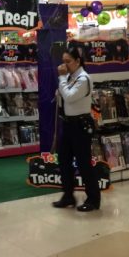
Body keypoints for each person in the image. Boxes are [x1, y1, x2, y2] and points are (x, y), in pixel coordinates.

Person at [53, 47, 101, 212]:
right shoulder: (69, 77)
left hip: (80, 125)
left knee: (83, 162)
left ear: (78, 61)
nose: (64, 65)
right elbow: (62, 96)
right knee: (64, 161)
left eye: (68, 61)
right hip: (67, 123)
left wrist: (61, 79)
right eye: (63, 61)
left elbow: (70, 97)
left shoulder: (83, 78)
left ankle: (93, 199)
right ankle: (68, 196)